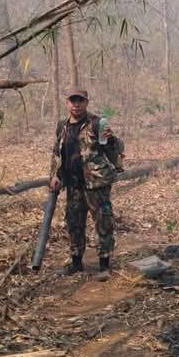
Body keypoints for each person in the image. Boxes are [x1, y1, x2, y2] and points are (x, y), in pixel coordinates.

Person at [49, 88, 124, 278]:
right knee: (74, 223)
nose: (76, 104)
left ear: (86, 102)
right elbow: (57, 153)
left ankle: (104, 265)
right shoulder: (62, 126)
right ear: (67, 103)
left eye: (80, 100)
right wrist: (55, 175)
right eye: (73, 100)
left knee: (103, 222)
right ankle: (76, 263)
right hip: (73, 184)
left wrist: (111, 140)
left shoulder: (97, 123)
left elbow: (113, 149)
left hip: (96, 184)